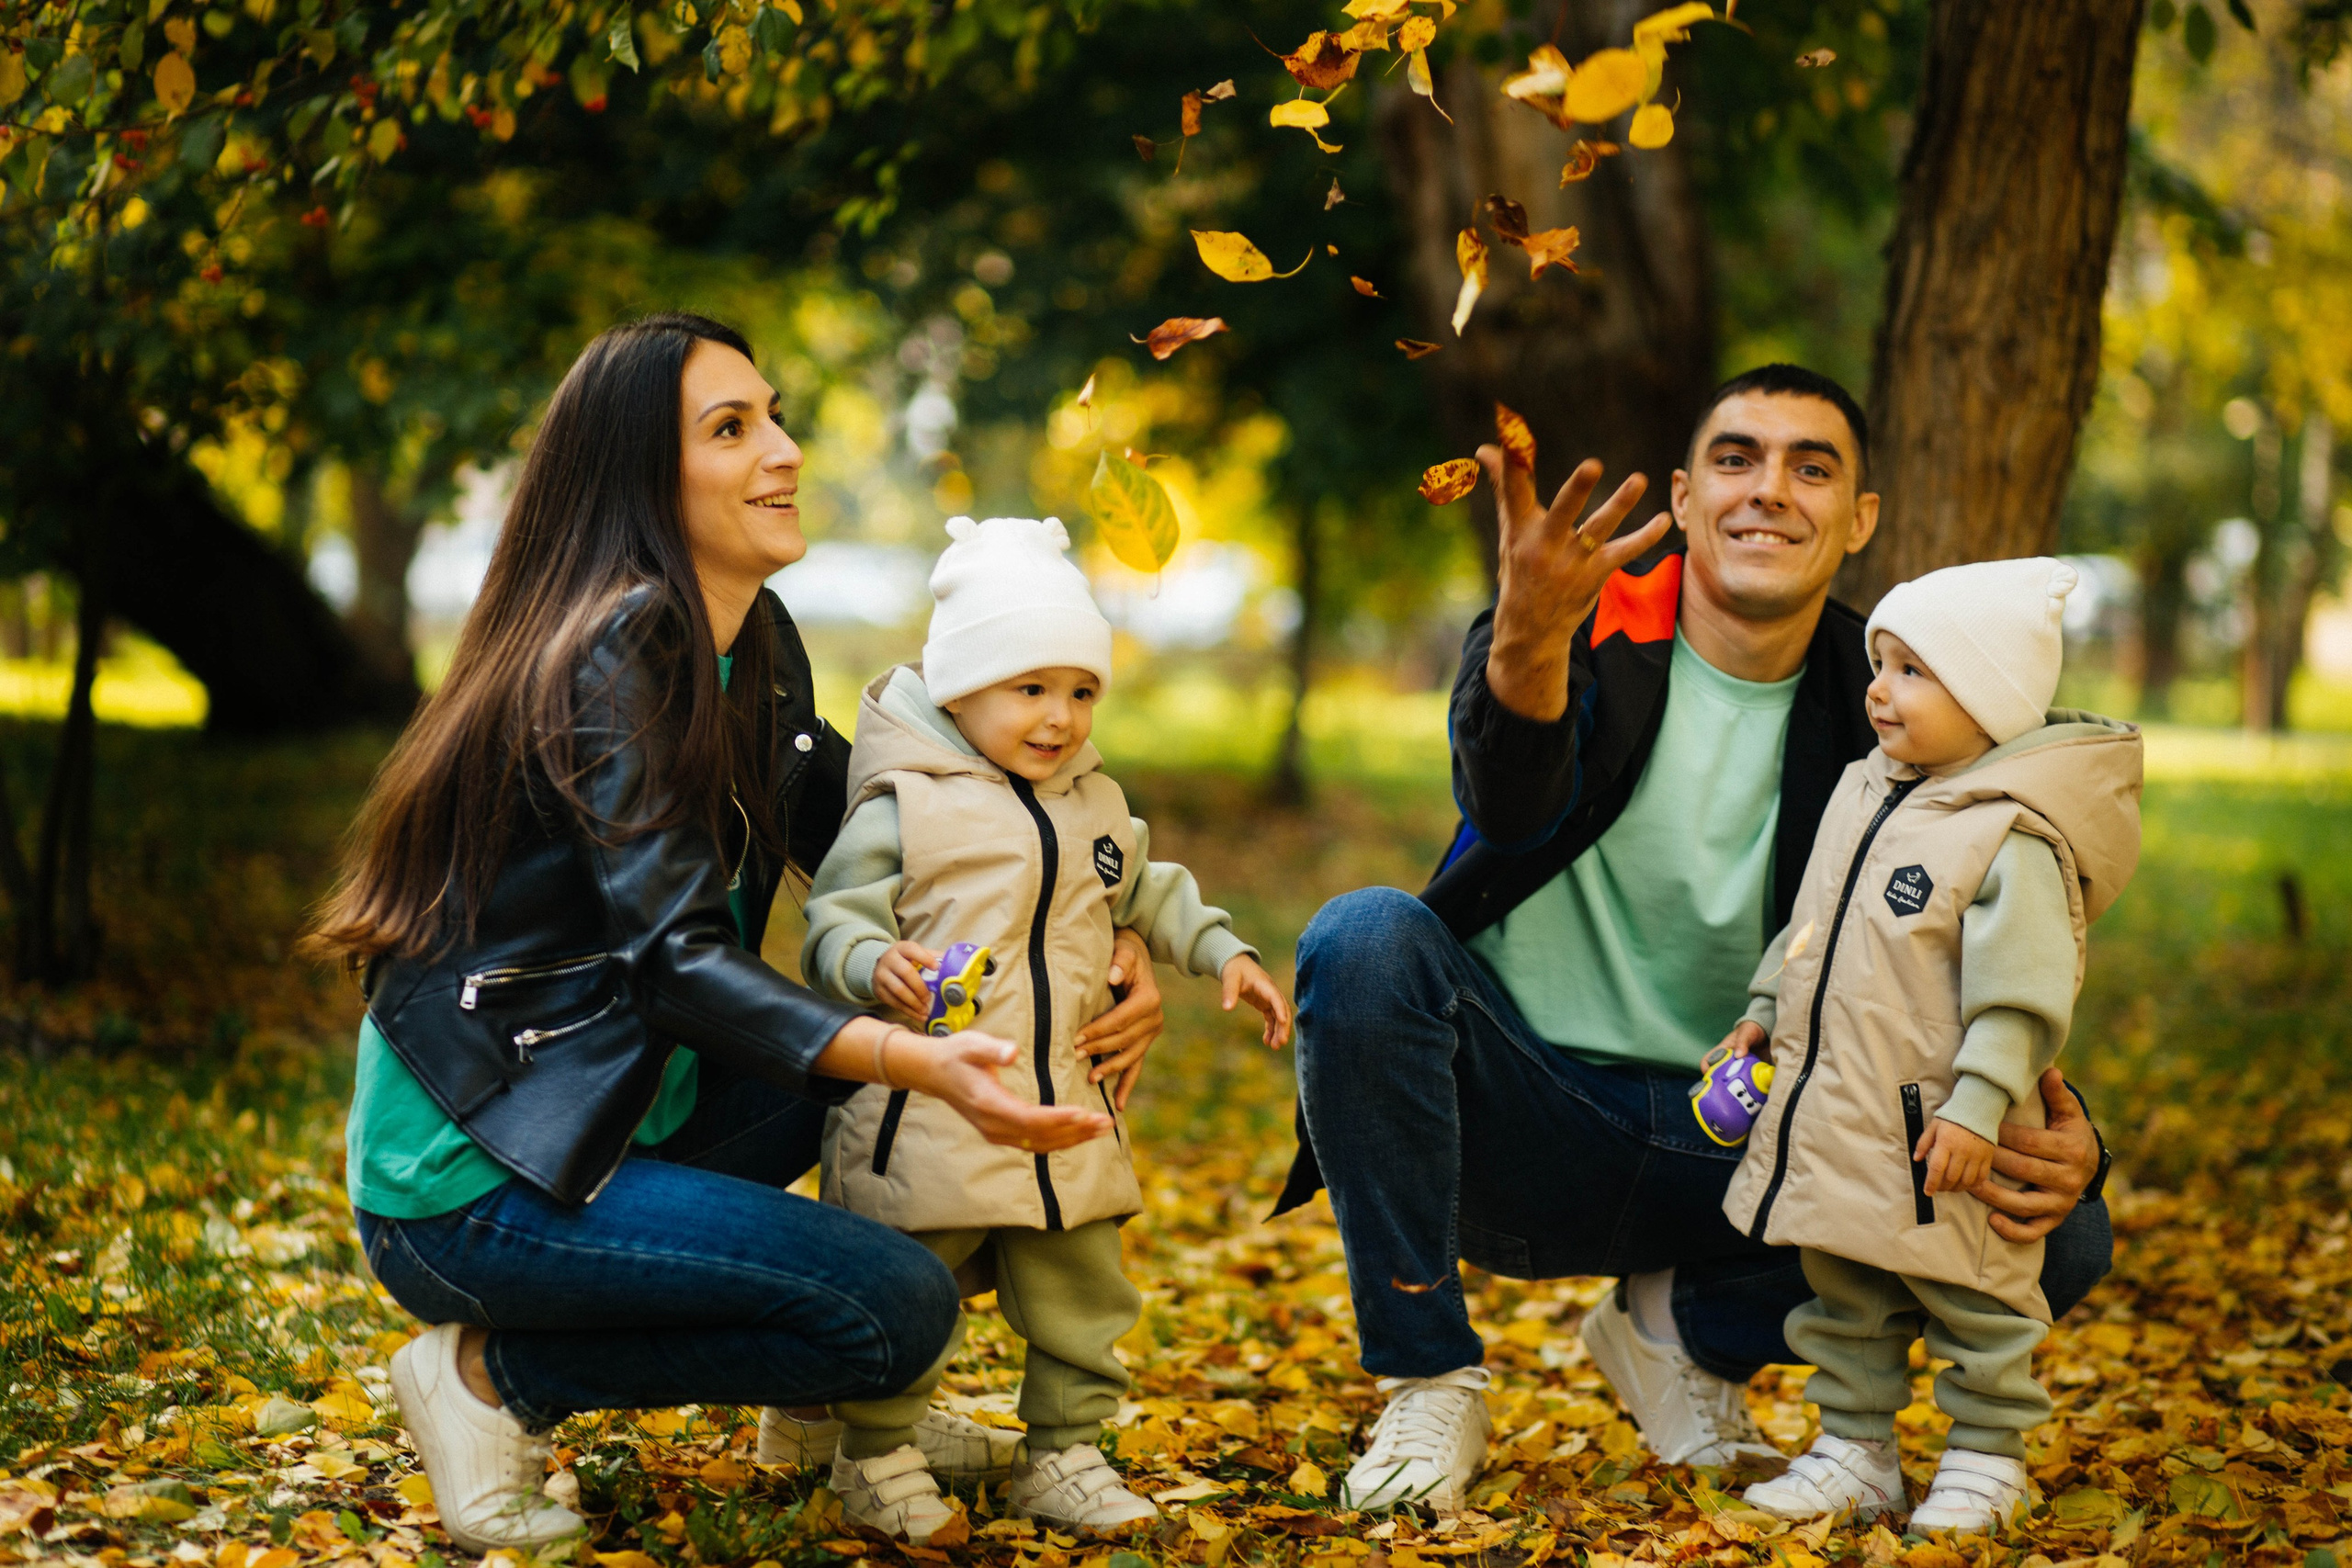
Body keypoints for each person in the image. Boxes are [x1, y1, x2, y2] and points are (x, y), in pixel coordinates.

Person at [305, 315, 1167, 1554]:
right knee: (900, 1300)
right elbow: (673, 959)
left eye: (774, 414)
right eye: (732, 427)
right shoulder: (612, 651)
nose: (785, 449)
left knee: (884, 1104)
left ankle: (826, 1414)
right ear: (643, 479)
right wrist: (911, 1055)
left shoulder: (751, 648)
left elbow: (908, 831)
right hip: (479, 1176)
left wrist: (1106, 920)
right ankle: (494, 1376)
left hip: (607, 1104)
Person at [1272, 366, 2118, 1513]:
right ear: (1682, 495)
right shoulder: (1576, 625)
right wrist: (1527, 629)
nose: (1770, 489)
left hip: (1767, 1140)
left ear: (1859, 519)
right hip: (1530, 1122)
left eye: (1810, 467)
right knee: (1363, 936)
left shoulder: (1894, 697)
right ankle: (1427, 1380)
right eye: (1737, 458)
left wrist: (2067, 1139)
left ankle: (1681, 1324)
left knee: (2060, 1234)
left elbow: (1979, 924)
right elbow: (1509, 803)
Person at [798, 515, 1294, 1541]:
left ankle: (1063, 1452)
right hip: (927, 1108)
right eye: (1030, 688)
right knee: (909, 1285)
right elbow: (833, 922)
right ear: (960, 688)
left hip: (1068, 1103)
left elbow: (1152, 892)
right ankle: (877, 1452)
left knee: (1084, 1290)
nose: (1059, 718)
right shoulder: (904, 805)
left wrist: (1223, 955)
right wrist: (867, 962)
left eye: (1080, 691)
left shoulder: (1094, 804)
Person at [1725, 558, 2141, 1529]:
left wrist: (1977, 1103)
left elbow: (2021, 998)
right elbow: (1809, 925)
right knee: (1844, 1289)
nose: (1879, 688)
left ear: (1989, 699)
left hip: (1946, 1125)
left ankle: (1988, 1457)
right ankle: (1854, 1450)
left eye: (1914, 670)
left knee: (1979, 1295)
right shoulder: (1864, 789)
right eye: (1880, 663)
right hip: (1844, 1110)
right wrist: (1758, 1009)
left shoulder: (2008, 836)